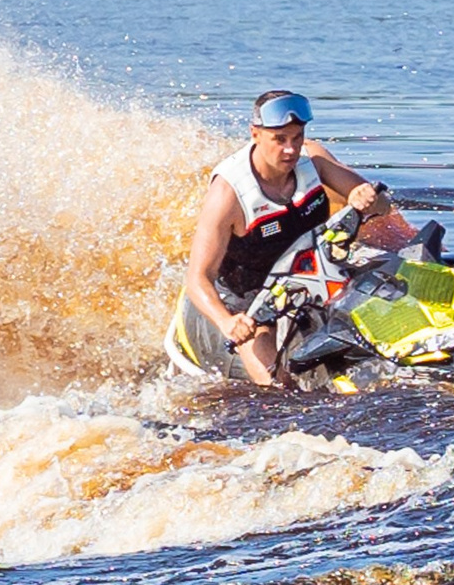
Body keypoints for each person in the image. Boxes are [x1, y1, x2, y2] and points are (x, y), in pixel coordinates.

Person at [168, 90, 396, 385]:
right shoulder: (228, 194)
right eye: (280, 139)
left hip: (308, 278)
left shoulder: (313, 160)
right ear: (256, 134)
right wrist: (228, 322)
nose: (291, 149)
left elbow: (381, 204)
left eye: (297, 137)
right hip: (248, 300)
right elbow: (197, 278)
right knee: (277, 385)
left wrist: (365, 197)